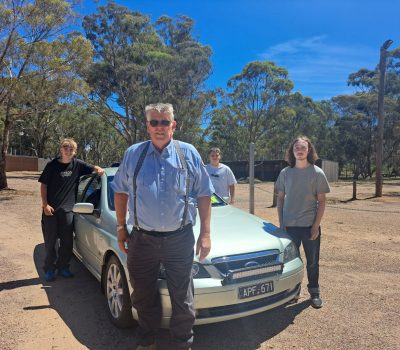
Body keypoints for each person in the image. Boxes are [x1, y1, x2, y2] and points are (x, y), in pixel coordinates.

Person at [111, 103, 214, 350]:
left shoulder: (188, 153)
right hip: (142, 240)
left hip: (180, 239)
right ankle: (147, 340)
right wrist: (121, 227)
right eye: (154, 122)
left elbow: (204, 194)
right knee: (143, 294)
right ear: (147, 126)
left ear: (173, 126)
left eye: (164, 122)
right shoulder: (133, 154)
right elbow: (120, 191)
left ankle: (182, 343)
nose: (159, 127)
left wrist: (206, 233)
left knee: (183, 296)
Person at [39, 138, 104, 282]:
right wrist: (45, 205)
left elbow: (94, 168)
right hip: (51, 211)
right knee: (50, 243)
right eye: (65, 147)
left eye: (71, 149)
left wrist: (98, 169)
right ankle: (49, 269)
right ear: (61, 149)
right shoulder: (52, 165)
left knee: (67, 243)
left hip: (68, 211)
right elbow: (43, 185)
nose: (68, 150)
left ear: (75, 152)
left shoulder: (78, 165)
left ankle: (63, 267)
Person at [276, 136, 330, 309]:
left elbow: (322, 201)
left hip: (309, 227)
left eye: (303, 148)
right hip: (289, 227)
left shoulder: (317, 173)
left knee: (312, 262)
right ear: (292, 152)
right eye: (296, 148)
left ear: (309, 150)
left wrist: (315, 226)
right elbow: (280, 198)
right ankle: (293, 292)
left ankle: (314, 292)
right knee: (292, 262)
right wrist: (282, 222)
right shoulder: (285, 173)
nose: (299, 151)